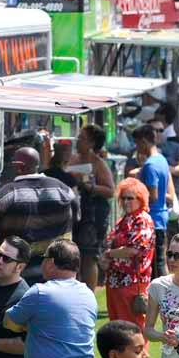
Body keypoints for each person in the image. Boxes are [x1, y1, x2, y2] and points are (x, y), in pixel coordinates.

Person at [0, 146, 79, 262]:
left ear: (19, 166)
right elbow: (76, 215)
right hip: (55, 261)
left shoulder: (9, 192)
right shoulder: (62, 188)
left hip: (18, 264)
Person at [102, 178, 156, 329]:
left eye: (130, 198)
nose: (126, 202)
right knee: (117, 328)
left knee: (132, 328)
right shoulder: (124, 219)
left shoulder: (142, 220)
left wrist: (108, 254)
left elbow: (133, 250)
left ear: (141, 199)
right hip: (115, 280)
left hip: (132, 282)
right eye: (123, 198)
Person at [70, 124, 114, 291]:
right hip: (76, 213)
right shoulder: (73, 159)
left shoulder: (98, 164)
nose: (77, 141)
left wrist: (91, 187)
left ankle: (89, 294)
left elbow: (110, 190)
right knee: (74, 254)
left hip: (93, 215)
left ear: (92, 143)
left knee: (89, 256)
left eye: (82, 138)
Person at [132, 124, 170, 279]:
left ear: (144, 141)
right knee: (160, 261)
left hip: (152, 220)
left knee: (155, 265)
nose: (136, 148)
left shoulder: (150, 165)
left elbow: (152, 196)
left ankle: (163, 293)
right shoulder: (161, 159)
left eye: (137, 143)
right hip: (161, 217)